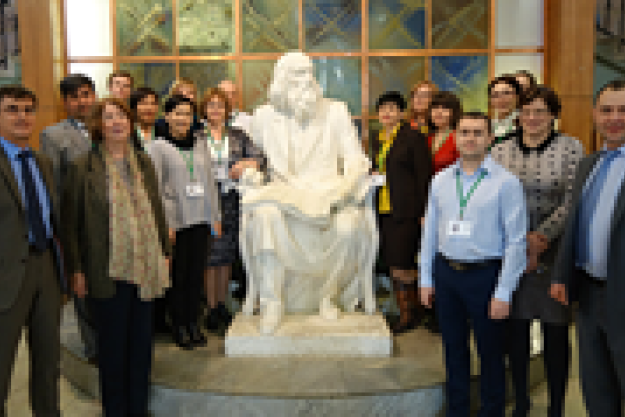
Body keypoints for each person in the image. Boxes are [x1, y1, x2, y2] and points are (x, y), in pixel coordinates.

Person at [239, 52, 377, 335]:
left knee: (348, 226)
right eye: (297, 74)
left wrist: (347, 183)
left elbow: (354, 158)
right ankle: (272, 301)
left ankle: (328, 296)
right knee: (265, 216)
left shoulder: (336, 111)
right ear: (281, 80)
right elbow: (256, 159)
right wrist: (249, 171)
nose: (306, 81)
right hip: (283, 194)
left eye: (309, 73)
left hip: (327, 194)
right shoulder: (264, 117)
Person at [62, 97, 171, 417]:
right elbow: (71, 223)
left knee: (141, 347)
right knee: (112, 348)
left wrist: (164, 251)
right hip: (104, 269)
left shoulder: (143, 162)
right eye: (109, 117)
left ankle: (138, 409)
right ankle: (116, 410)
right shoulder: (83, 167)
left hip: (145, 267)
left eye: (121, 115)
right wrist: (77, 269)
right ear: (99, 125)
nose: (117, 122)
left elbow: (156, 210)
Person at [420, 112, 527, 417]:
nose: (470, 138)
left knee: (490, 353)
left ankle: (491, 412)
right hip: (447, 274)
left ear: (490, 138)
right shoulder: (440, 180)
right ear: (455, 137)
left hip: (485, 275)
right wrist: (426, 278)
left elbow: (516, 242)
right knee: (454, 352)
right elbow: (430, 232)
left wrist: (504, 292)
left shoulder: (506, 184)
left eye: (478, 133)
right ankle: (458, 410)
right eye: (464, 132)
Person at [491, 86, 583, 417]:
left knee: (555, 333)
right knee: (515, 333)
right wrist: (520, 242)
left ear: (553, 115)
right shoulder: (500, 151)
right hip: (511, 253)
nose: (532, 118)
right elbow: (493, 199)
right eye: (526, 111)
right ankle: (521, 402)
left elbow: (574, 201)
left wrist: (539, 238)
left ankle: (556, 405)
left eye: (540, 111)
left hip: (555, 253)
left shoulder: (571, 148)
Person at [551, 79, 625, 417]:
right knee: (597, 390)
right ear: (595, 114)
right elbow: (575, 225)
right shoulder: (588, 165)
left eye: (623, 110)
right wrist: (562, 275)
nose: (614, 117)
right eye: (607, 109)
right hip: (589, 297)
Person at [0, 85, 65, 417]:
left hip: (46, 271)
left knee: (48, 363)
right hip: (6, 276)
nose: (22, 117)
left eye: (28, 109)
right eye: (12, 109)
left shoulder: (42, 162)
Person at [147, 95, 222, 349]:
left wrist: (216, 217)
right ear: (166, 116)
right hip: (175, 222)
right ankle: (179, 325)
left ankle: (193, 323)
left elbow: (210, 182)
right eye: (177, 113)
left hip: (200, 218)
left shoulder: (200, 144)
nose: (182, 119)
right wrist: (164, 224)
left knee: (194, 276)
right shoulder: (157, 147)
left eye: (187, 114)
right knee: (177, 278)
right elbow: (154, 188)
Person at [39, 73, 98, 362]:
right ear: (65, 102)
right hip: (77, 223)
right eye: (74, 97)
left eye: (86, 94)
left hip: (111, 222)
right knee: (83, 287)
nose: (81, 101)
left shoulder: (106, 126)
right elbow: (52, 185)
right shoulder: (53, 135)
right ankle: (93, 347)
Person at [200, 87, 265, 334]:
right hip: (204, 200)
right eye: (211, 105)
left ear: (227, 110)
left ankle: (222, 305)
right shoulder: (197, 136)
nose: (215, 109)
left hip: (231, 200)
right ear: (204, 110)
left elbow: (260, 159)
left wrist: (247, 163)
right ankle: (211, 306)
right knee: (209, 256)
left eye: (220, 105)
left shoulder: (238, 135)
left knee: (226, 255)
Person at [369, 91, 432, 333]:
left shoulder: (412, 137)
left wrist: (424, 211)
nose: (386, 113)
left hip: (406, 210)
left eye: (392, 108)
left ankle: (411, 314)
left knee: (403, 262)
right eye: (382, 108)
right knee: (393, 261)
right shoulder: (379, 138)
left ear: (402, 113)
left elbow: (423, 176)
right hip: (384, 209)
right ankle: (405, 310)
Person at [427, 91, 462, 174]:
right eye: (435, 108)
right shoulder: (428, 138)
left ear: (454, 112)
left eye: (445, 108)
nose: (439, 112)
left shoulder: (460, 138)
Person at [489, 75, 522, 146]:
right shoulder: (488, 125)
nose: (501, 99)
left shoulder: (527, 124)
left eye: (506, 93)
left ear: (517, 96)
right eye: (495, 95)